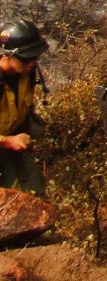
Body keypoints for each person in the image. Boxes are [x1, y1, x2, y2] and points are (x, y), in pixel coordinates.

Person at [0, 17, 49, 196]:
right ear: (7, 54)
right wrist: (7, 141)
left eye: (35, 57)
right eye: (26, 58)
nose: (32, 63)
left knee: (35, 195)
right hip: (6, 143)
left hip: (8, 150)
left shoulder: (26, 74)